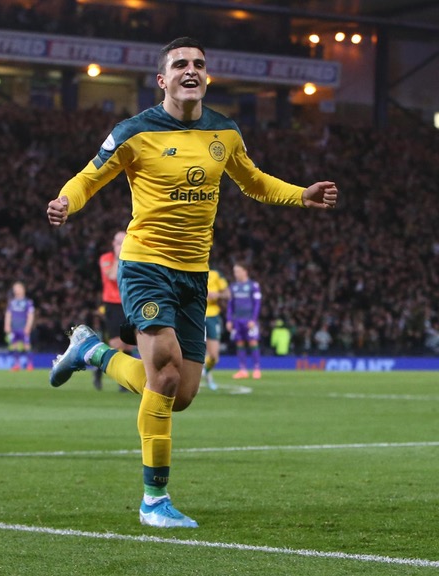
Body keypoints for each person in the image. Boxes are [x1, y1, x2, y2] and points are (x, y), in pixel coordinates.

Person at [46, 36, 338, 529]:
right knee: (162, 372)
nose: (191, 70)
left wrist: (300, 194)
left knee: (178, 393)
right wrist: (64, 202)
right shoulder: (134, 131)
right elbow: (88, 177)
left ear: (206, 77)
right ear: (162, 80)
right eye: (180, 63)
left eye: (199, 64)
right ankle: (154, 501)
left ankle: (92, 352)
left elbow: (254, 181)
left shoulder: (225, 131)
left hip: (194, 275)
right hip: (145, 264)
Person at [93, 230, 133, 391]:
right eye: (118, 243)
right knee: (115, 343)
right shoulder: (106, 259)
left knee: (128, 345)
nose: (121, 245)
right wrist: (119, 257)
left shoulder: (132, 258)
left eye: (124, 242)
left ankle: (124, 382)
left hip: (128, 303)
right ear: (113, 244)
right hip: (112, 305)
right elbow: (112, 276)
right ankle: (98, 373)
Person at [226, 263, 262, 379]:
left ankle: (256, 369)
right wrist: (229, 320)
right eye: (234, 271)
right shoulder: (233, 287)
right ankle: (243, 370)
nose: (235, 274)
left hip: (249, 320)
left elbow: (257, 304)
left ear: (245, 271)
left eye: (238, 271)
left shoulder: (253, 285)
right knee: (239, 343)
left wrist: (253, 320)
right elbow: (230, 305)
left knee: (253, 342)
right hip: (237, 320)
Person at [203, 268, 230, 390]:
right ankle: (198, 379)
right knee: (194, 352)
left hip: (212, 317)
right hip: (195, 315)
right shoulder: (189, 270)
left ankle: (206, 372)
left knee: (214, 356)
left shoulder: (215, 274)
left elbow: (228, 294)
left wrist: (217, 294)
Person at [4, 281, 35, 371]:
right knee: (14, 345)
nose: (15, 290)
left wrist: (28, 326)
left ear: (22, 289)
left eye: (17, 288)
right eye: (14, 289)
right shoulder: (12, 302)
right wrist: (7, 325)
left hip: (23, 327)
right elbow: (8, 314)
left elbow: (30, 315)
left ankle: (30, 364)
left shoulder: (28, 302)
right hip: (14, 327)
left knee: (26, 345)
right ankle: (16, 364)